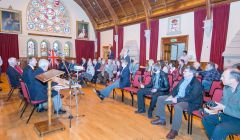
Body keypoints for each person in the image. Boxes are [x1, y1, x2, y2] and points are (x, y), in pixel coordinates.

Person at [151, 66, 203, 139]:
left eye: (185, 71)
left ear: (191, 73)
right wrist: (171, 95)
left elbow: (192, 97)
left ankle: (174, 130)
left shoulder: (196, 84)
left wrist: (178, 100)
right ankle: (162, 119)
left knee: (178, 106)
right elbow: (175, 89)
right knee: (161, 98)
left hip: (190, 102)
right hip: (178, 97)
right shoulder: (183, 79)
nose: (183, 72)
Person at [202, 68, 240, 140]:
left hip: (238, 120)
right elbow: (223, 103)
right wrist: (216, 108)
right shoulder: (226, 88)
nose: (220, 78)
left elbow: (225, 108)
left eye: (223, 76)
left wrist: (223, 108)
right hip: (227, 115)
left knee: (220, 128)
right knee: (206, 119)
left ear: (233, 80)